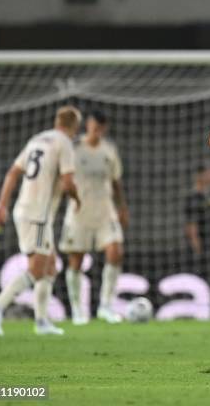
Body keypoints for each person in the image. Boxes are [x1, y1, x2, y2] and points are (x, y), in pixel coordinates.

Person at [0, 106, 81, 336]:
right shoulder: (64, 143)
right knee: (37, 269)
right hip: (37, 215)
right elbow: (68, 182)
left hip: (25, 210)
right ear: (74, 126)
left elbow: (13, 173)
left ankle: (42, 321)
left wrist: (2, 204)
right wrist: (77, 199)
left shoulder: (37, 139)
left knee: (51, 266)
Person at [59, 110, 129, 325]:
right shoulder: (74, 147)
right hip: (79, 212)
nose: (97, 130)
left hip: (105, 209)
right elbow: (62, 176)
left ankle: (106, 307)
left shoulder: (109, 150)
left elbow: (116, 182)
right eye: (94, 126)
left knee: (116, 251)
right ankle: (78, 311)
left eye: (101, 127)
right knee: (76, 260)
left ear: (104, 128)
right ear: (87, 125)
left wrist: (122, 207)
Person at [184, 165, 210, 315]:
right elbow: (191, 226)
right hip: (202, 248)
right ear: (200, 176)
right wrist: (197, 248)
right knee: (203, 279)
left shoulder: (209, 195)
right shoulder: (193, 198)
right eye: (209, 172)